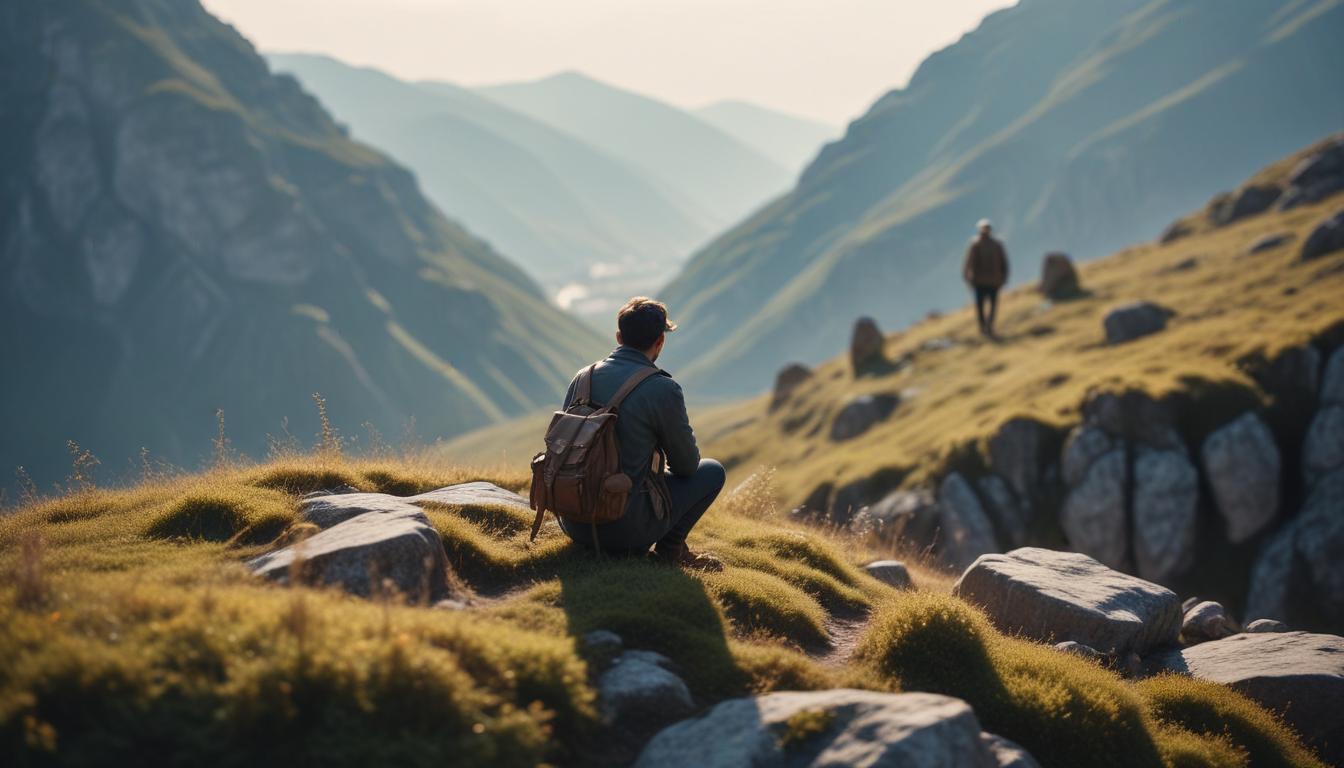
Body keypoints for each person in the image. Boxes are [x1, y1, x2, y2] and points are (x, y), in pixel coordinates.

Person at [556, 297, 725, 570]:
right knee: (712, 471)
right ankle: (671, 550)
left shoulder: (583, 377)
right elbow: (686, 466)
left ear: (619, 337)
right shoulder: (662, 389)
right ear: (660, 341)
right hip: (624, 531)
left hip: (572, 520)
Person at [962, 218, 1009, 337]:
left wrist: (967, 277)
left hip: (984, 282)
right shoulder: (990, 244)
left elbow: (968, 263)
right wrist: (1004, 278)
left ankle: (985, 327)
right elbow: (1005, 263)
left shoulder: (978, 244)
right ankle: (986, 327)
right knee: (988, 306)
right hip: (988, 282)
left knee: (983, 306)